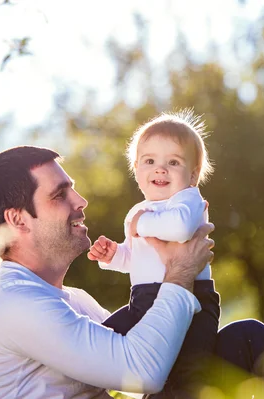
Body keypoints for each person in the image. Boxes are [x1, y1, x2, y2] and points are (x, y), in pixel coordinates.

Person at [0, 145, 264, 399]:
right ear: (17, 219)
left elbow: (158, 349)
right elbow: (140, 372)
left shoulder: (71, 301)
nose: (80, 201)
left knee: (243, 341)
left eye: (73, 188)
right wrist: (180, 272)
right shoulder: (10, 302)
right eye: (59, 195)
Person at [87, 111, 219, 396]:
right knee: (103, 337)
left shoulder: (188, 201)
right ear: (136, 169)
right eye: (150, 161)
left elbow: (181, 229)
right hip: (143, 300)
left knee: (186, 371)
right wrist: (113, 256)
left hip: (192, 300)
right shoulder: (137, 211)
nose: (161, 169)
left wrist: (141, 224)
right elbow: (135, 259)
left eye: (173, 162)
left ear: (193, 174)